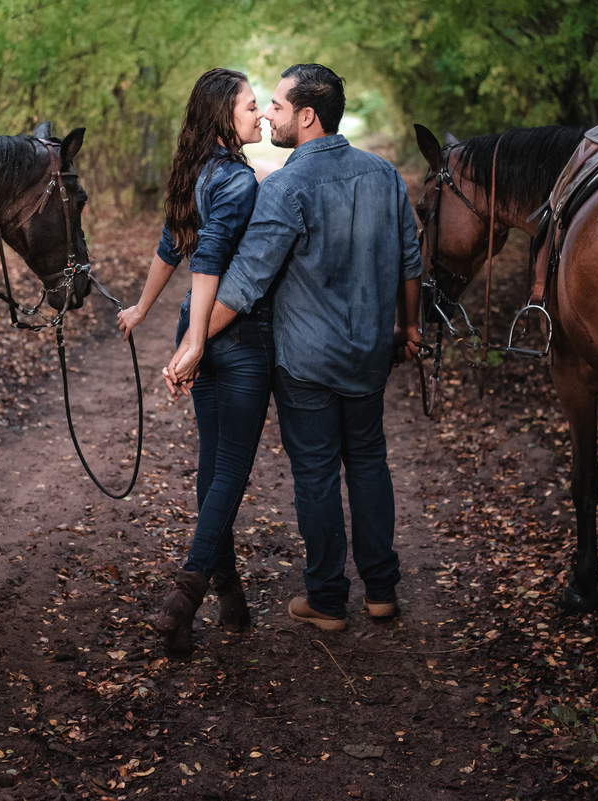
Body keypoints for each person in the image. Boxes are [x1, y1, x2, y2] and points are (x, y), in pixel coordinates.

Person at [167, 63, 422, 631]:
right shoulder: (384, 176)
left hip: (306, 363)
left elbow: (245, 282)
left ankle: (328, 600)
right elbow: (411, 261)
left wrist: (192, 342)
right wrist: (409, 331)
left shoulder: (284, 187)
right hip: (369, 355)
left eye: (277, 107)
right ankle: (381, 591)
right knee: (370, 462)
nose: (268, 116)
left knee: (315, 473)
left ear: (307, 116)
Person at [116, 68, 272, 654]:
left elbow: (168, 242)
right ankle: (186, 594)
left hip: (200, 323)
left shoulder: (198, 171)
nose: (259, 115)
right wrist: (199, 341)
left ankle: (228, 588)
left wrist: (145, 308)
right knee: (229, 469)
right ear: (223, 117)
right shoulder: (237, 181)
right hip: (237, 335)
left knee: (214, 465)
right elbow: (203, 259)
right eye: (251, 107)